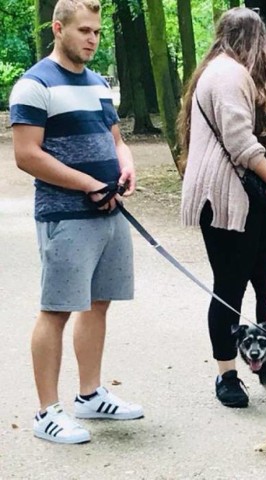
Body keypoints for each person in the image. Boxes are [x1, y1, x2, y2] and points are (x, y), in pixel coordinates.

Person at [9, 0, 143, 445]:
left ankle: (90, 394)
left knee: (99, 302)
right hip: (65, 217)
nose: (92, 39)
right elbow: (27, 155)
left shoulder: (98, 83)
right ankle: (47, 412)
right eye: (84, 31)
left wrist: (126, 167)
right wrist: (87, 183)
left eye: (98, 32)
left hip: (110, 210)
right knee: (57, 310)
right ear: (58, 27)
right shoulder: (33, 84)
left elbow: (115, 138)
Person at [178, 7, 266, 409]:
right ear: (256, 40)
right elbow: (241, 144)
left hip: (252, 199)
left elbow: (258, 141)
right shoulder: (227, 75)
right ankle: (227, 376)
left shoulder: (223, 70)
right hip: (227, 202)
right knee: (230, 288)